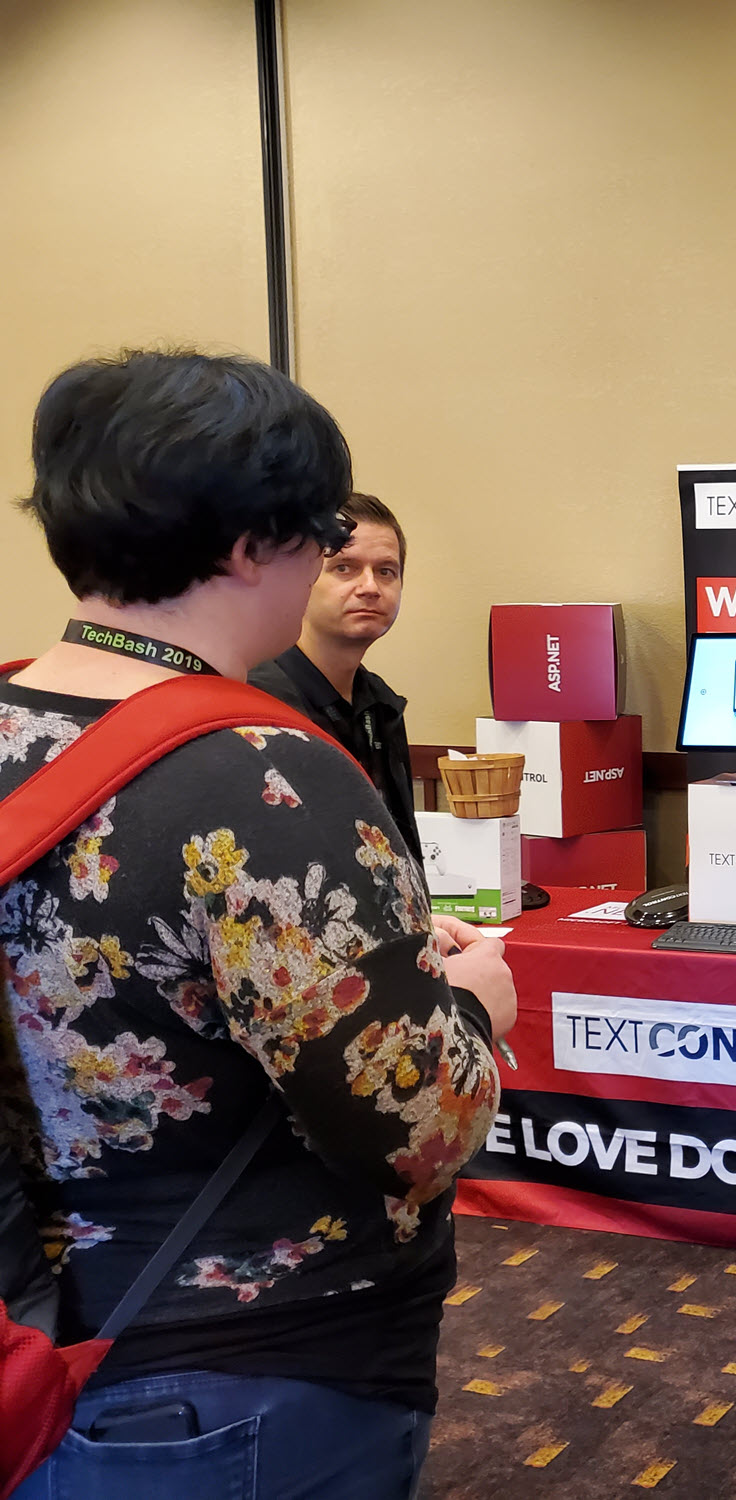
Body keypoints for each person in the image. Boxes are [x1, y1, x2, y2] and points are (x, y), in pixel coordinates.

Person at [1, 350, 516, 1498]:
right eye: (322, 532)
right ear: (250, 545)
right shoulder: (261, 772)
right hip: (239, 1365)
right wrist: (474, 1011)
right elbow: (418, 1130)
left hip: (28, 1336)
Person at [249, 491, 420, 858]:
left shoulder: (381, 706)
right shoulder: (260, 704)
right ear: (303, 578)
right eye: (345, 568)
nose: (370, 587)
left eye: (386, 571)